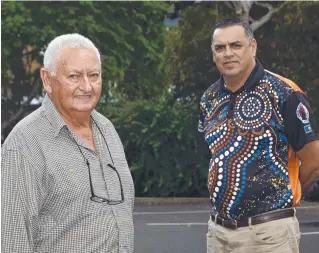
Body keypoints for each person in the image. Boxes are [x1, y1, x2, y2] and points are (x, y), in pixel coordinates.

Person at [2, 34, 135, 253]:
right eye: (74, 76)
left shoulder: (107, 129)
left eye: (94, 75)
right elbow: (12, 241)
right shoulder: (24, 144)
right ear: (47, 80)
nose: (86, 86)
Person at [198, 18, 319, 253]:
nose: (228, 53)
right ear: (213, 54)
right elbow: (212, 156)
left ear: (252, 47)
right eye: (220, 48)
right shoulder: (209, 99)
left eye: (236, 45)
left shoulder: (284, 93)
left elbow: (314, 161)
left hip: (270, 234)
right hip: (219, 233)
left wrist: (284, 195)